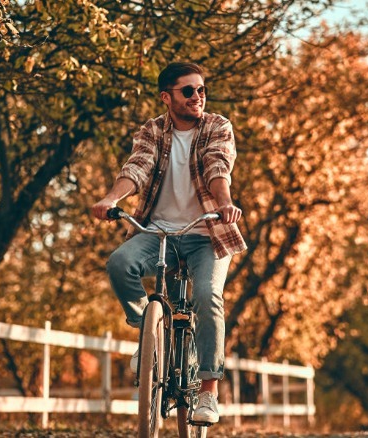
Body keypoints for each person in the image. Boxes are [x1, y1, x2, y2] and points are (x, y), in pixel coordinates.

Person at [92, 62, 246, 424]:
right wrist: (112, 199)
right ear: (167, 97)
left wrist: (224, 203)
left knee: (207, 296)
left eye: (202, 90)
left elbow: (216, 165)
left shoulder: (217, 126)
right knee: (119, 263)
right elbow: (137, 168)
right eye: (188, 91)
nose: (198, 97)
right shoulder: (152, 130)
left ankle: (208, 392)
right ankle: (149, 337)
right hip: (157, 233)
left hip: (206, 233)